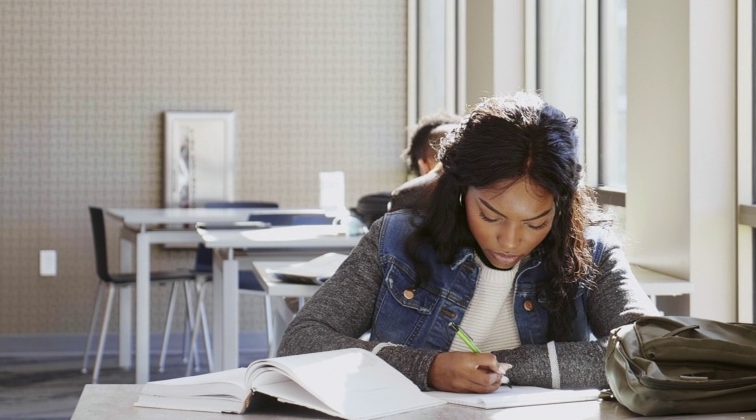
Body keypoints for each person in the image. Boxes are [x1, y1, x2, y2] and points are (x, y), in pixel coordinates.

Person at [278, 93, 656, 393]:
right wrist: (427, 368)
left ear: (562, 207)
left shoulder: (591, 248)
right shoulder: (394, 240)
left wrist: (508, 365)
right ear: (460, 191)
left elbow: (649, 350)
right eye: (490, 216)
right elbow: (302, 342)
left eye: (535, 222)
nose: (510, 241)